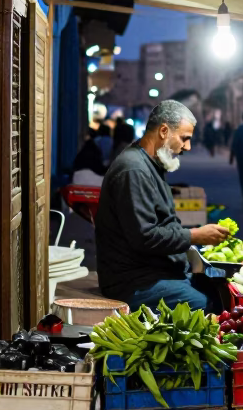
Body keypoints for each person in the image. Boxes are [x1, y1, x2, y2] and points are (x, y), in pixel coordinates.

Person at [95, 100, 230, 311]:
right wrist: (194, 236)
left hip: (158, 271)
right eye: (185, 139)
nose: (188, 147)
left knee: (221, 290)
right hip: (134, 282)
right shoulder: (133, 170)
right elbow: (145, 237)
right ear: (164, 131)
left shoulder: (150, 163)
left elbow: (164, 222)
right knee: (206, 305)